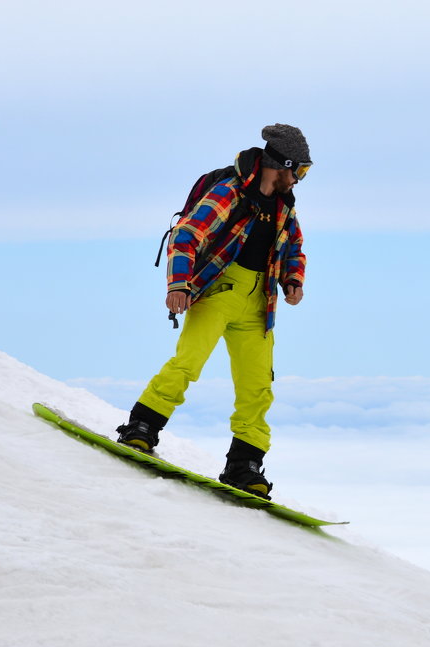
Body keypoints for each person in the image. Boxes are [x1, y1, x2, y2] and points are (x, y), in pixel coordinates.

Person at [115, 123, 312, 499]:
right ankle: (141, 428)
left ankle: (245, 466)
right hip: (220, 288)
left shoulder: (284, 206)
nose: (300, 179)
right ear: (281, 164)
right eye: (299, 170)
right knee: (189, 362)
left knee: (258, 387)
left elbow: (294, 247)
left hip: (260, 302)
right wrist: (178, 283)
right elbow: (187, 234)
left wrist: (293, 279)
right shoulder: (231, 192)